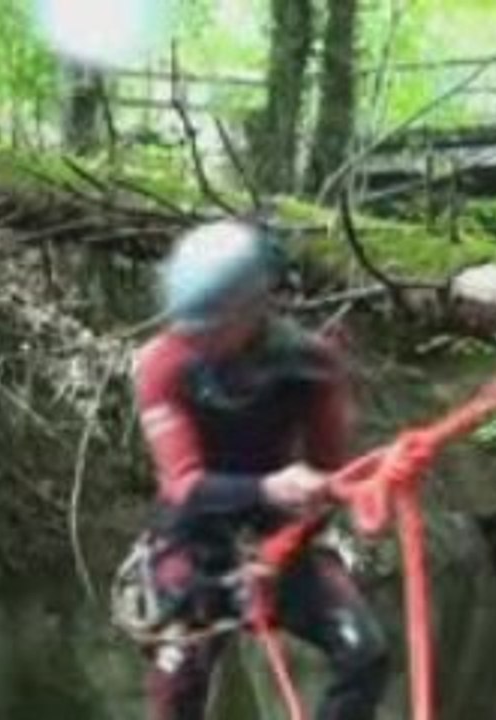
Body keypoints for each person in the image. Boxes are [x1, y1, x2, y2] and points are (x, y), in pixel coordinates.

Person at [130, 219, 389, 720]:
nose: (196, 337)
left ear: (251, 309)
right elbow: (185, 487)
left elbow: (327, 475)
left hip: (280, 537)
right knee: (177, 684)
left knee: (365, 655)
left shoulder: (310, 366)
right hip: (195, 538)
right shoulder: (165, 365)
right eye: (190, 324)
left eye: (211, 324)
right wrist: (272, 489)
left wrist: (289, 536)